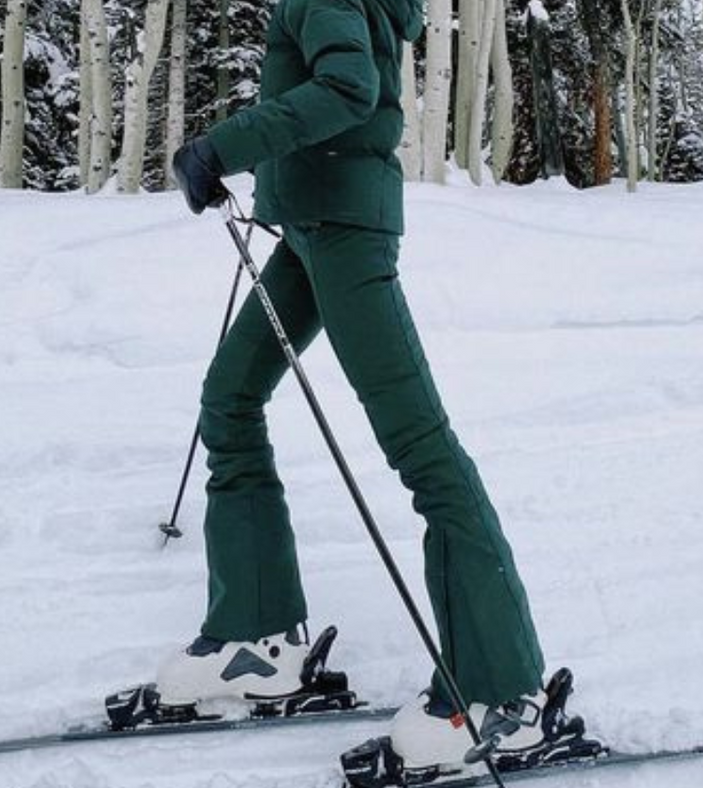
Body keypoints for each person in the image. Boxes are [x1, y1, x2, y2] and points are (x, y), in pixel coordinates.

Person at [163, 0, 554, 774]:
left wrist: (224, 146)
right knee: (229, 398)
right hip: (309, 229)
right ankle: (256, 641)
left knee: (421, 449)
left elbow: (348, 91)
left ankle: (501, 695)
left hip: (343, 237)